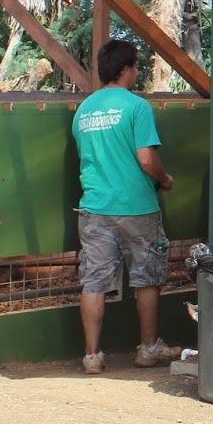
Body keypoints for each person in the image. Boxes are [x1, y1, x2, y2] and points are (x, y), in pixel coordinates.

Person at [72, 40, 183, 374]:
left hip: (94, 207)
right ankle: (148, 348)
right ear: (125, 70)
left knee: (94, 281)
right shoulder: (137, 107)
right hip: (136, 208)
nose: (136, 72)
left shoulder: (84, 110)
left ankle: (92, 355)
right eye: (135, 67)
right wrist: (164, 179)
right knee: (147, 278)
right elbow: (146, 158)